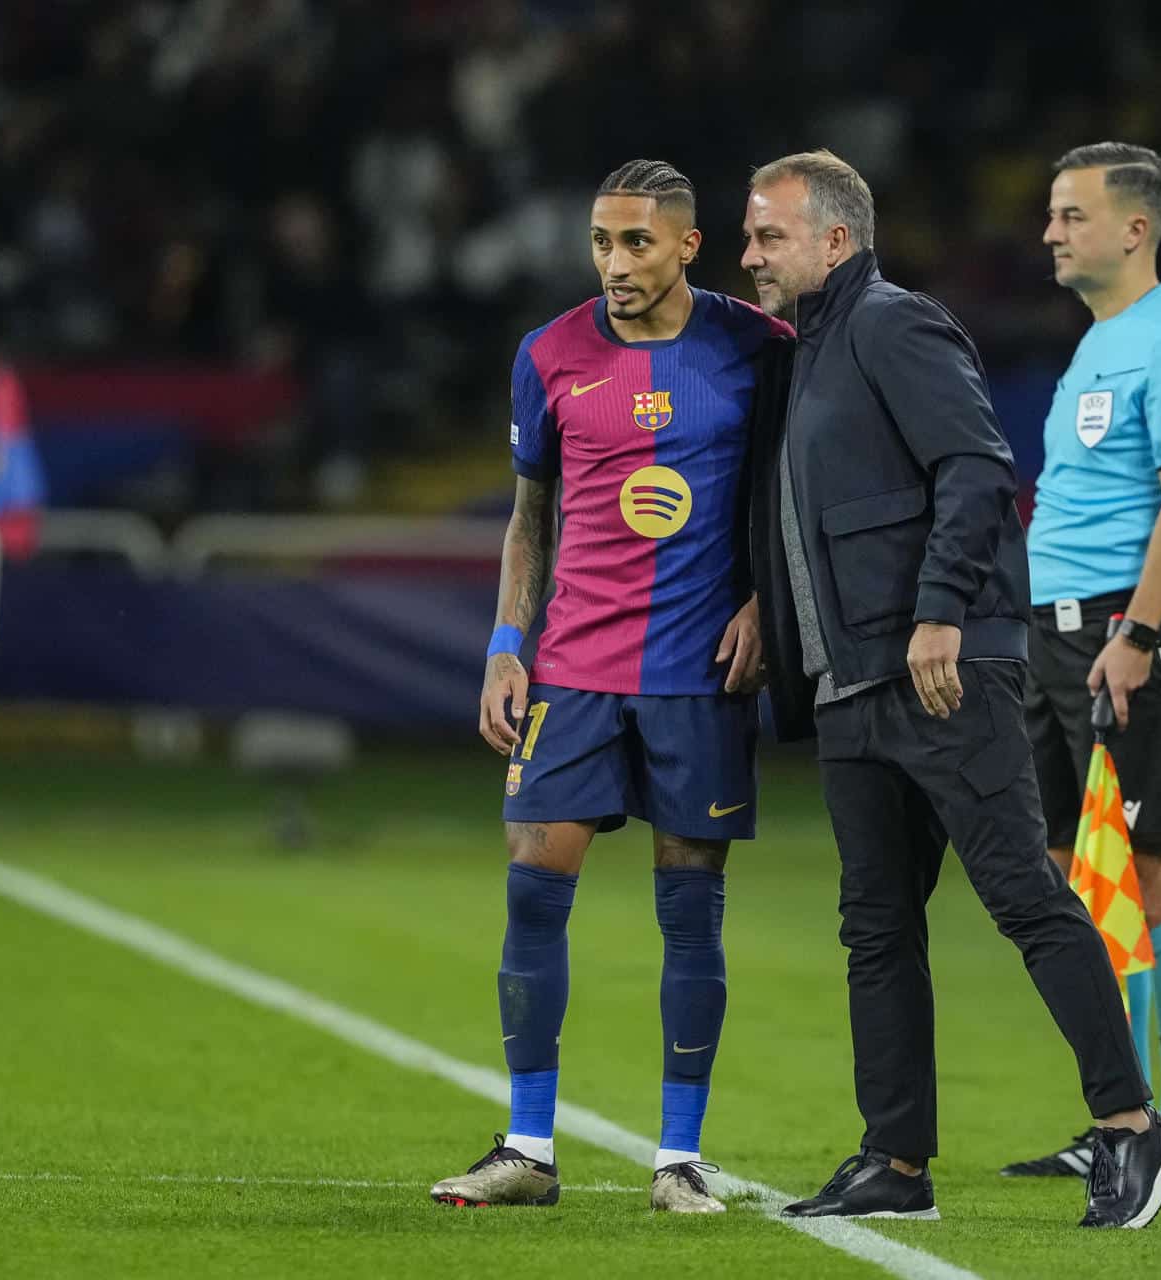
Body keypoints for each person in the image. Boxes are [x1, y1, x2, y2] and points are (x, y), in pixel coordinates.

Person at [738, 149, 1161, 1229]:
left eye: (767, 235)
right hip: (852, 678)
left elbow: (978, 467)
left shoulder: (895, 324)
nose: (750, 254)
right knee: (877, 923)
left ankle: (1134, 1128)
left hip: (940, 667)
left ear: (835, 240)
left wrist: (941, 607)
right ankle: (895, 1159)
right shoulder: (805, 352)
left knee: (1023, 897)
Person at [429, 159, 787, 1214]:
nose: (615, 262)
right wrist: (506, 640)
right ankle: (527, 1148)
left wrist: (766, 600)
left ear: (688, 245)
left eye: (637, 242)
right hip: (575, 666)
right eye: (601, 241)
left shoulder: (758, 350)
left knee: (692, 910)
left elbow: (784, 496)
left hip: (697, 673)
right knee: (533, 890)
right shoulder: (548, 354)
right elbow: (528, 514)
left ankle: (679, 1158)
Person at [1000, 143, 1161, 1186]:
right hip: (1057, 637)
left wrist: (1134, 637)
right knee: (1074, 875)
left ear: (1132, 229)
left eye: (1069, 215)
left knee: (1152, 871)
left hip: (1133, 635)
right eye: (1051, 214)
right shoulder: (1099, 342)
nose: (1050, 232)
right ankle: (1123, 1116)